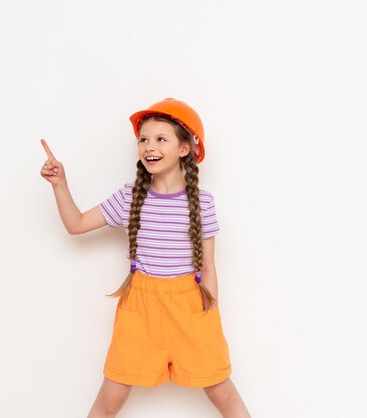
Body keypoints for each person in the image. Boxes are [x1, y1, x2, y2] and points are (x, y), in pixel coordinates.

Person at [40, 98, 252, 418]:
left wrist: (209, 317)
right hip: (140, 306)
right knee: (112, 393)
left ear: (185, 148)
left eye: (160, 139)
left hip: (192, 306)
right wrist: (60, 185)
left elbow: (208, 267)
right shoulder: (129, 197)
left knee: (222, 389)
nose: (148, 146)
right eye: (143, 139)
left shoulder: (203, 203)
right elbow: (77, 224)